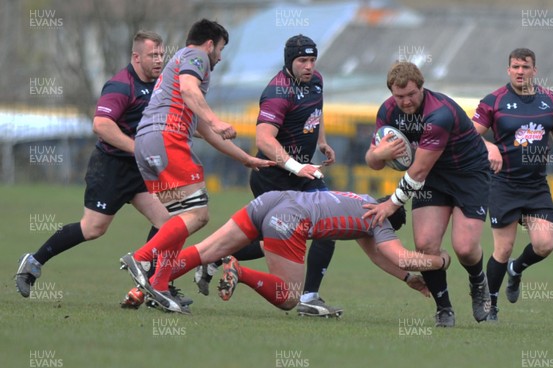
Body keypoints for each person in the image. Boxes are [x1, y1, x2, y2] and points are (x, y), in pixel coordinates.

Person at [118, 19, 274, 314]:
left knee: (175, 222)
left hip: (147, 143)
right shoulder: (196, 56)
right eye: (221, 49)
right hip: (167, 139)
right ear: (210, 44)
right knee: (198, 215)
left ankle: (160, 286)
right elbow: (191, 91)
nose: (220, 57)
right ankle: (141, 258)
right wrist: (217, 120)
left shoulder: (179, 63)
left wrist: (245, 158)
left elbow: (200, 123)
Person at [15, 30, 170, 298]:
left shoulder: (159, 84)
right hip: (109, 168)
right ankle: (33, 262)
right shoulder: (121, 85)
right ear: (136, 57)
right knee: (93, 228)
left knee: (166, 222)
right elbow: (101, 125)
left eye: (160, 54)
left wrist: (210, 131)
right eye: (152, 55)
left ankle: (148, 285)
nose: (158, 60)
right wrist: (139, 148)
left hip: (137, 169)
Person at [195, 34, 340, 317]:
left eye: (312, 60)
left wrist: (321, 142)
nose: (309, 66)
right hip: (273, 177)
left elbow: (316, 113)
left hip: (302, 173)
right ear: (289, 61)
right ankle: (215, 256)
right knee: (272, 241)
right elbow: (264, 141)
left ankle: (309, 297)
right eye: (302, 61)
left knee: (328, 224)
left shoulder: (316, 81)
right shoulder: (277, 93)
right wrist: (298, 166)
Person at [123, 191, 451, 315]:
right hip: (290, 221)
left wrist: (408, 279)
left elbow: (378, 255)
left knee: (206, 249)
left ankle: (144, 286)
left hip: (272, 199)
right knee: (290, 298)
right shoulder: (380, 222)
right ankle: (240, 270)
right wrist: (441, 260)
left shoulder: (364, 202)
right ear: (390, 222)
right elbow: (400, 255)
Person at [363, 61, 491, 327]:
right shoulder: (387, 111)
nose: (406, 101)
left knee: (465, 249)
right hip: (432, 180)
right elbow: (373, 162)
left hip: (468, 176)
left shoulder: (438, 114)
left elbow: (418, 171)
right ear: (391, 93)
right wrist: (378, 154)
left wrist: (391, 205)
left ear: (422, 87)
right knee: (425, 246)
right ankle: (443, 307)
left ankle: (478, 282)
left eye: (411, 94)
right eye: (399, 96)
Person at [472, 48, 553, 321]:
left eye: (525, 67)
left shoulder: (549, 99)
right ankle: (490, 304)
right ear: (508, 70)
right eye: (515, 66)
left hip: (536, 186)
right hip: (503, 184)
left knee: (545, 245)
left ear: (534, 70)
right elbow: (469, 135)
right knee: (502, 249)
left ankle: (516, 269)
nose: (519, 71)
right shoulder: (494, 101)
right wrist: (489, 145)